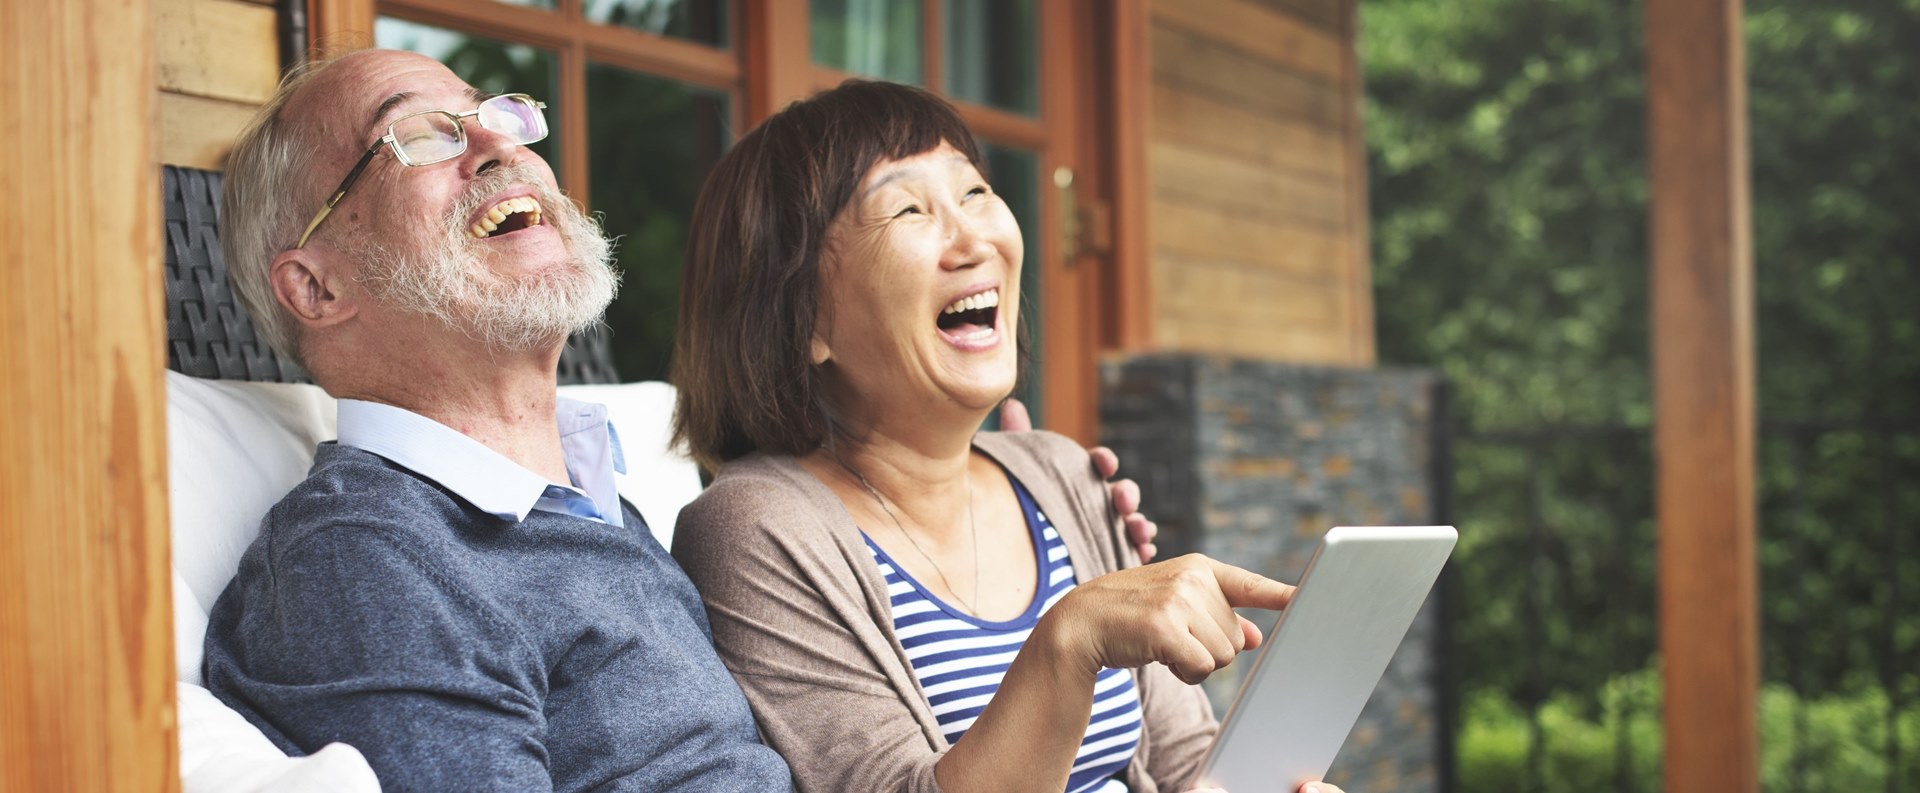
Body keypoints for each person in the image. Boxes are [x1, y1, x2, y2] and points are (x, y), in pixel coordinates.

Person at [200, 49, 1156, 792]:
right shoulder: (363, 556)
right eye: (421, 136)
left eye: (496, 117)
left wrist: (964, 478)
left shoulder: (597, 506)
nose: (497, 144)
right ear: (317, 287)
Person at [670, 80, 1344, 793]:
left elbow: (1183, 763)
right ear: (804, 318)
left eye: (976, 193)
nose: (974, 239)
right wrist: (1071, 637)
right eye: (908, 209)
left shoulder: (1060, 472)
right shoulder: (754, 529)